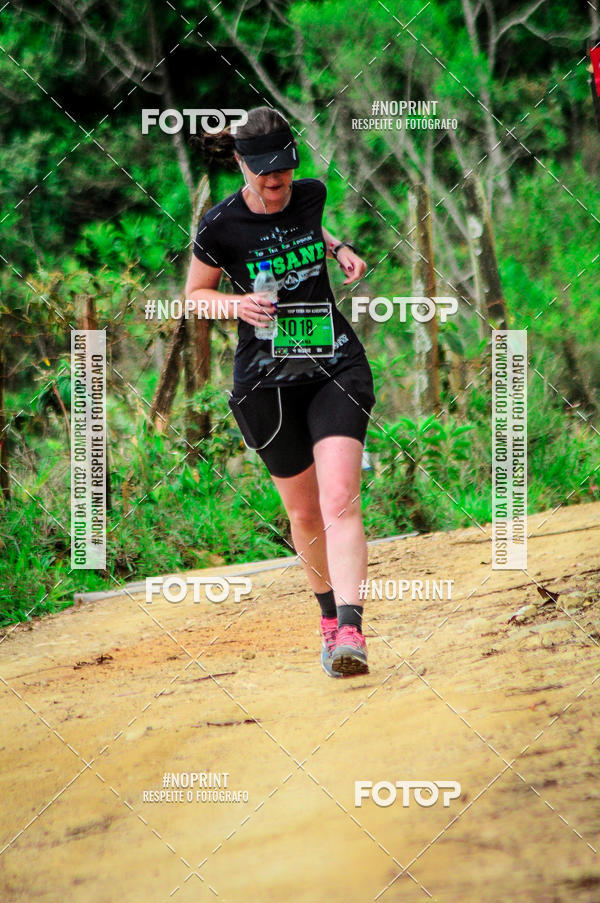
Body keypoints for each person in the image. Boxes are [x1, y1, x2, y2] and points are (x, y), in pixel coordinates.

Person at [184, 106, 376, 677]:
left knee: (340, 497)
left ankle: (350, 630)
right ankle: (324, 617)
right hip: (265, 381)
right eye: (266, 175)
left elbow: (307, 221)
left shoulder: (309, 193)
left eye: (285, 173)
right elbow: (195, 295)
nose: (277, 184)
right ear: (241, 164)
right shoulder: (219, 227)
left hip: (332, 364)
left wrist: (339, 248)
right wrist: (236, 305)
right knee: (304, 512)